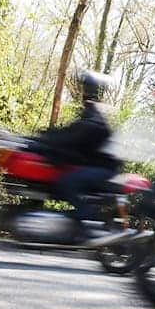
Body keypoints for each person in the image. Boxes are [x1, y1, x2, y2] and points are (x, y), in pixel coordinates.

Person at [38, 71, 120, 241]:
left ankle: (87, 222)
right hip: (95, 166)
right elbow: (70, 132)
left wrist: (49, 141)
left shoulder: (95, 116)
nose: (83, 91)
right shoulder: (90, 112)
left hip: (103, 169)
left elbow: (74, 137)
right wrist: (44, 137)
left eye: (86, 87)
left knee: (66, 183)